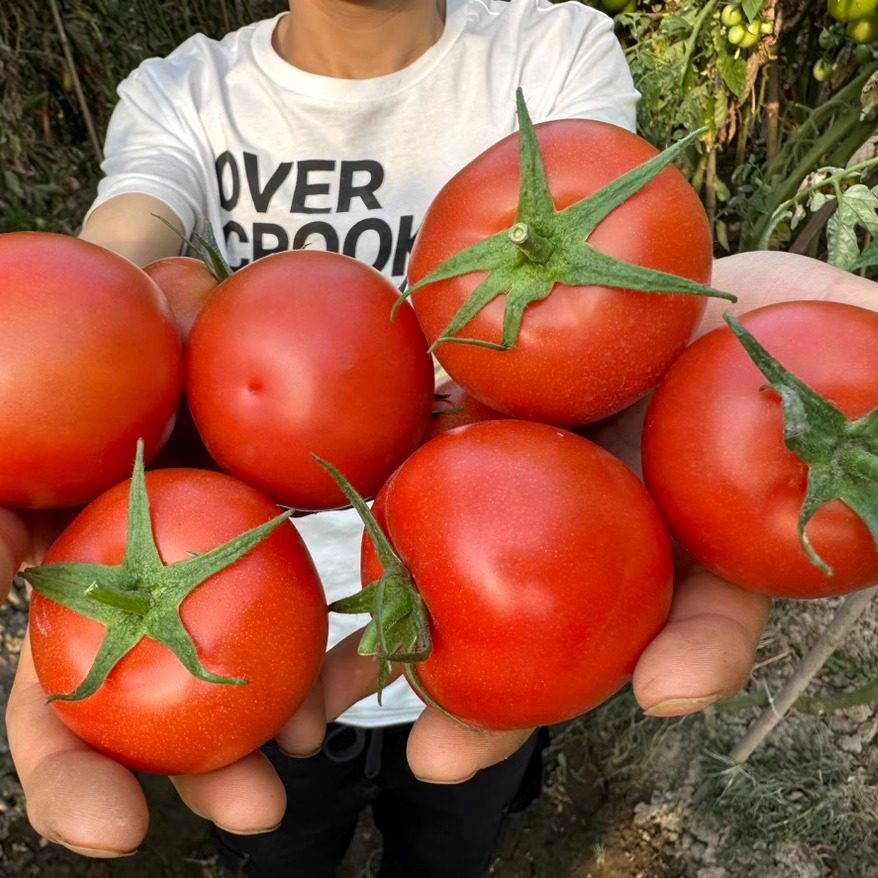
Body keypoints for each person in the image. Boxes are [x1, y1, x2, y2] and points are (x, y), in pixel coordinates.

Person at [4, 1, 876, 875]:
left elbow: (619, 253)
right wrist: (69, 348)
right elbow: (121, 242)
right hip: (270, 659)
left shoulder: (554, 45)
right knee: (281, 846)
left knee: (453, 839)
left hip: (481, 643)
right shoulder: (182, 92)